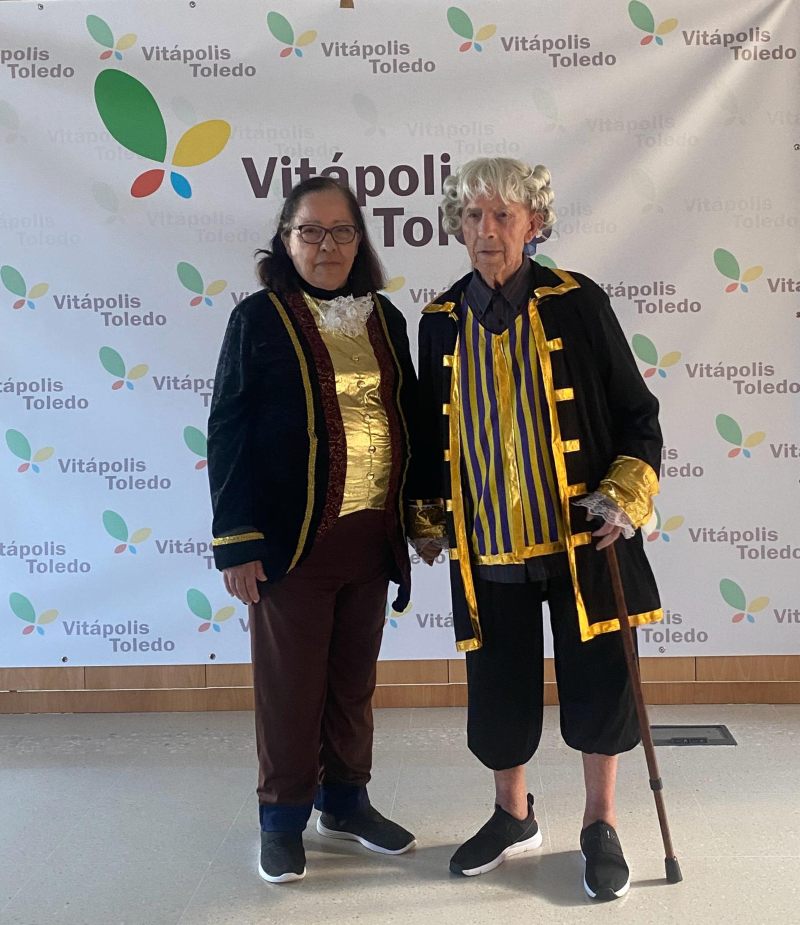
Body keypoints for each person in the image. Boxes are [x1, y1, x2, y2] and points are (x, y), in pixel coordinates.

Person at [409, 157, 663, 901]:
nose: (487, 231)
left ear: (534, 224)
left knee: (598, 681)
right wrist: (427, 520)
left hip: (583, 539)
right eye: (473, 217)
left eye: (503, 216)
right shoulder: (437, 322)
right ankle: (512, 813)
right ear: (458, 225)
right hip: (488, 540)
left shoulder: (578, 303)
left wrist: (624, 494)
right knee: (499, 686)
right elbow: (429, 439)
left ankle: (601, 822)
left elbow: (637, 417)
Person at [207, 176, 420, 884]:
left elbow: (413, 422)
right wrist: (237, 538)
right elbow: (228, 427)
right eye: (311, 231)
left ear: (360, 240)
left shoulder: (387, 319)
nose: (326, 245)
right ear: (286, 238)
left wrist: (422, 515)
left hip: (370, 538)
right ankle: (281, 817)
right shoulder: (259, 319)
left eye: (341, 231)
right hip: (290, 544)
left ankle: (346, 802)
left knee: (352, 683)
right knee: (290, 687)